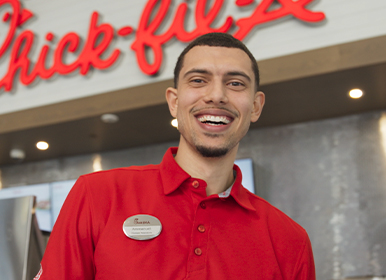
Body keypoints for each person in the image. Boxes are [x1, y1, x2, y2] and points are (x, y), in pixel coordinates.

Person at [35, 33, 315, 280]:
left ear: (255, 106)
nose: (216, 95)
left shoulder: (289, 240)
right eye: (198, 80)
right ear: (174, 101)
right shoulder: (97, 197)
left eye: (236, 83)